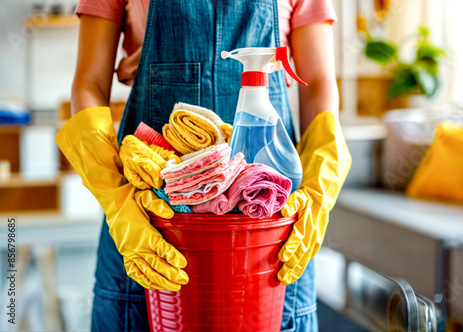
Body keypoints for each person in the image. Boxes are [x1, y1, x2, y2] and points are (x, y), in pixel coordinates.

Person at [56, 0, 352, 331]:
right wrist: (117, 200)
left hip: (269, 236)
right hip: (148, 225)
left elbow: (319, 84)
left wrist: (318, 191)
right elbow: (88, 84)